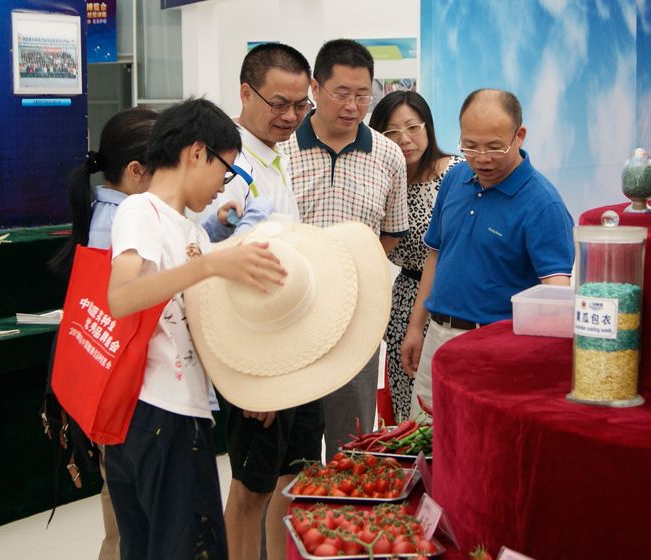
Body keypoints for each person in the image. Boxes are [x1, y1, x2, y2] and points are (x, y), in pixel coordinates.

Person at [104, 98, 287, 560]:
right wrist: (211, 267)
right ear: (197, 152)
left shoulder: (194, 234)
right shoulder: (141, 211)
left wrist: (245, 390)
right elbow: (122, 298)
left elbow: (200, 332)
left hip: (182, 414)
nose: (223, 187)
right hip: (154, 413)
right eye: (225, 172)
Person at [195, 43, 318, 560]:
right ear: (245, 94)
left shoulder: (275, 154)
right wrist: (254, 377)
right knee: (250, 489)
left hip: (292, 347)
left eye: (299, 105)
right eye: (278, 104)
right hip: (258, 358)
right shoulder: (229, 167)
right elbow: (217, 288)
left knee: (288, 480)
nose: (291, 117)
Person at [401, 89, 575, 420]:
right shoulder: (455, 177)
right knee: (421, 445)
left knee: (479, 447)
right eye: (471, 145)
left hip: (494, 346)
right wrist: (415, 326)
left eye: (495, 146)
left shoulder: (543, 203)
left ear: (519, 135)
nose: (482, 158)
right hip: (437, 337)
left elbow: (556, 292)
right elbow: (435, 256)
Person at [281, 38, 408, 461]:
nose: (352, 106)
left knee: (351, 443)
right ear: (315, 89)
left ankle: (344, 522)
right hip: (289, 313)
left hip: (356, 315)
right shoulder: (281, 150)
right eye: (341, 93)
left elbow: (392, 231)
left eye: (362, 95)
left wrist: (357, 267)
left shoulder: (388, 155)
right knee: (290, 442)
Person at [48, 106, 158, 560]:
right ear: (136, 172)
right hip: (127, 393)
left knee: (123, 518)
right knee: (131, 526)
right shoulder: (124, 224)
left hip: (109, 389)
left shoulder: (105, 211)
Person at [369, 91, 462, 422]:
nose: (404, 140)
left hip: (451, 299)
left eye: (412, 127)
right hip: (405, 299)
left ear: (429, 127)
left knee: (452, 409)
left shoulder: (457, 173)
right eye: (391, 132)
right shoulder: (380, 181)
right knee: (410, 412)